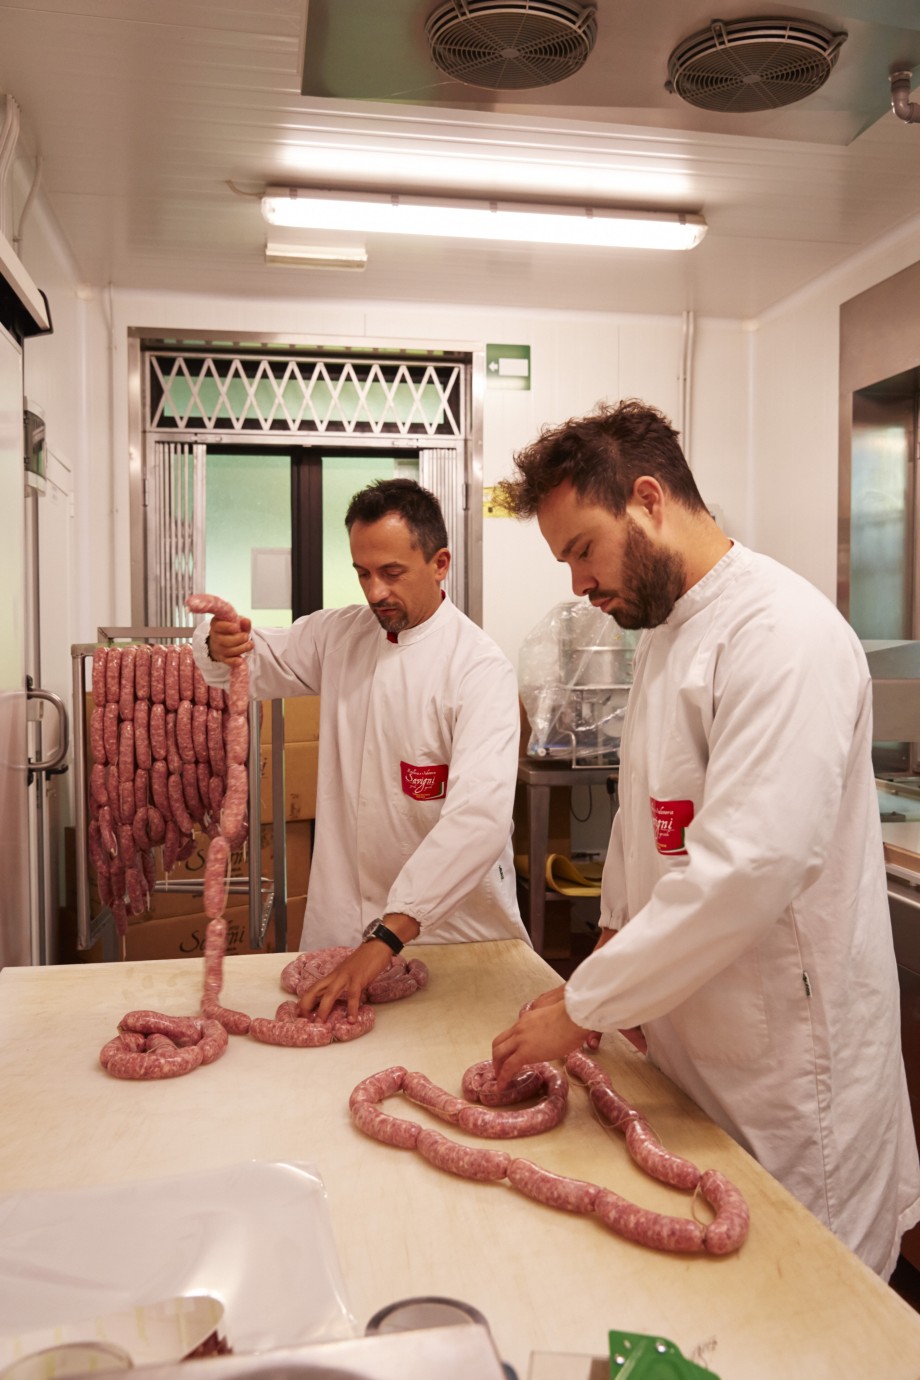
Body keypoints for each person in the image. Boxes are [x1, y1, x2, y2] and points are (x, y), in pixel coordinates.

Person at [490, 397, 920, 1279]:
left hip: (790, 1076)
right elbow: (646, 823)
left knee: (808, 1306)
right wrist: (610, 953)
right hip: (700, 1049)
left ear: (648, 499)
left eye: (582, 550)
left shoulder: (780, 635)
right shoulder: (667, 630)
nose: (576, 584)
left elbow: (748, 867)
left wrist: (583, 1006)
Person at [194, 478, 529, 1018]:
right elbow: (247, 662)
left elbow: (478, 821)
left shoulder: (478, 669)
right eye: (363, 573)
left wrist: (387, 938)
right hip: (344, 923)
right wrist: (219, 642)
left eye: (392, 573)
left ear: (440, 562)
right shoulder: (340, 636)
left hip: (447, 934)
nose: (374, 592)